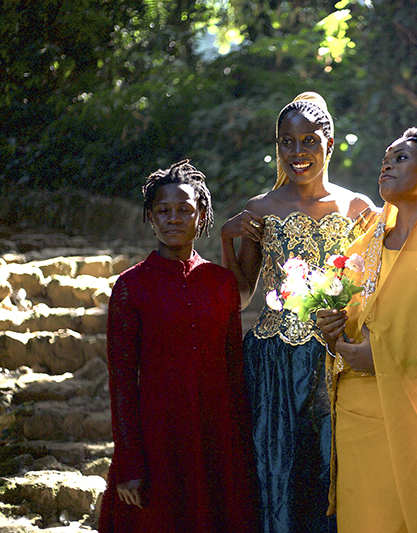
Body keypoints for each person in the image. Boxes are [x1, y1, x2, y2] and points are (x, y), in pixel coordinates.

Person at [220, 92, 376, 533]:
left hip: (336, 361)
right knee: (278, 478)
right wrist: (227, 242)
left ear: (329, 144)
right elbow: (240, 297)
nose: (297, 152)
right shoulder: (260, 209)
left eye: (309, 141)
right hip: (272, 366)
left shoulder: (358, 209)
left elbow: (372, 288)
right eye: (286, 142)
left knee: (332, 478)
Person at [316, 127, 417, 533]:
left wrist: (388, 361)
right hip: (356, 416)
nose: (386, 163)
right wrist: (330, 330)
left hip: (415, 414)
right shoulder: (360, 250)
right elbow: (341, 332)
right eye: (386, 157)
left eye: (401, 157)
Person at [98, 160, 259, 532]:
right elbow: (122, 382)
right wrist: (130, 465)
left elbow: (234, 370)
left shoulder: (221, 284)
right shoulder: (131, 287)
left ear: (201, 216)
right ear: (150, 218)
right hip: (159, 440)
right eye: (163, 210)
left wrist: (242, 452)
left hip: (217, 440)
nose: (174, 218)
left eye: (184, 209)